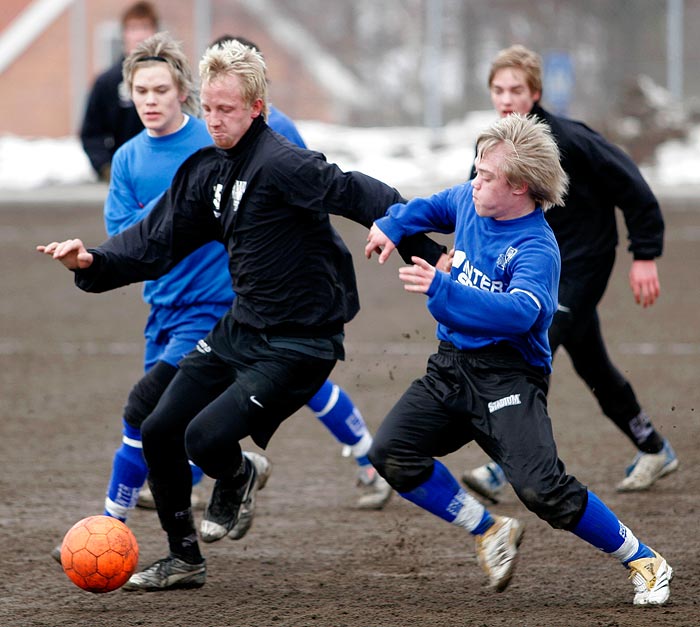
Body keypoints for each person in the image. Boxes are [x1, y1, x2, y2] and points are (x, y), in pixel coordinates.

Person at [38, 39, 447, 591]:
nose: (213, 120)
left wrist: (418, 245)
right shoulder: (207, 170)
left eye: (226, 110)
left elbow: (363, 193)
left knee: (203, 438)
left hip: (301, 345)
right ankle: (185, 560)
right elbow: (155, 242)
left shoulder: (283, 164)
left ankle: (237, 472)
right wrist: (92, 260)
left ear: (256, 107)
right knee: (159, 427)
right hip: (241, 330)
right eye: (207, 108)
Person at [364, 113, 672, 606]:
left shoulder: (537, 247)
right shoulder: (471, 200)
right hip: (451, 367)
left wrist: (443, 288)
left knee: (543, 492)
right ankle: (489, 530)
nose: (474, 182)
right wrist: (391, 226)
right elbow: (431, 206)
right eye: (476, 171)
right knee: (390, 453)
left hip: (508, 376)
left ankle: (644, 559)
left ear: (520, 187)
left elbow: (517, 315)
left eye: (486, 176)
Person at [461, 44, 677, 502]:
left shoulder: (569, 139)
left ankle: (505, 462)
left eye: (515, 89)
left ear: (535, 92)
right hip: (537, 273)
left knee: (529, 344)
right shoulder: (495, 150)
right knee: (591, 361)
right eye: (498, 90)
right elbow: (476, 209)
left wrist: (644, 255)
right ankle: (653, 446)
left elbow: (633, 188)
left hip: (583, 263)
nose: (505, 98)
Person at [80, 1, 159, 181]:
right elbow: (92, 133)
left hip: (164, 172)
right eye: (133, 28)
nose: (139, 35)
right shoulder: (107, 82)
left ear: (155, 32)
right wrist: (106, 168)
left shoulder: (173, 78)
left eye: (145, 27)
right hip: (124, 175)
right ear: (124, 34)